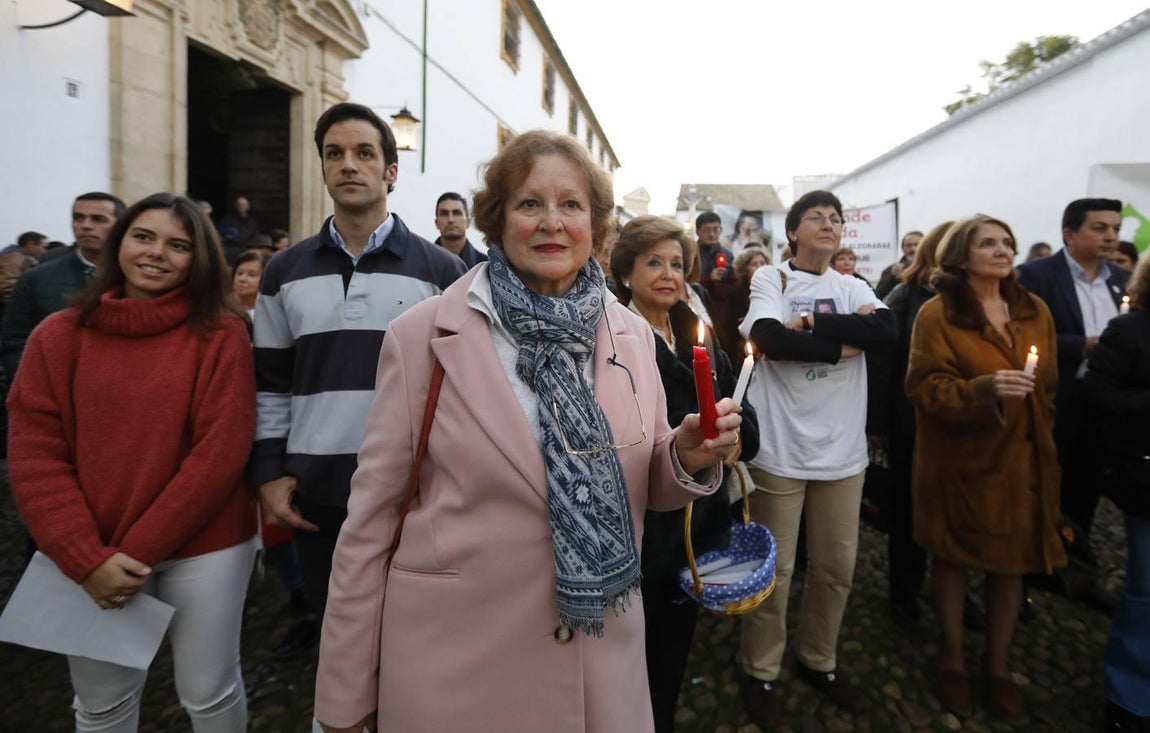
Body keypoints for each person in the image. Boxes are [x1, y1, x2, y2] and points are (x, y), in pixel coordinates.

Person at [314, 130, 742, 733]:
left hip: (601, 666)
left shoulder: (629, 336)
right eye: (529, 204)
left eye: (571, 205)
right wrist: (343, 699)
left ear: (595, 224)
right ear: (497, 219)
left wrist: (686, 456)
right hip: (457, 667)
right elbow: (369, 526)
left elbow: (644, 480)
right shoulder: (421, 338)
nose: (552, 223)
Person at [7, 192, 258, 731]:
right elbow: (35, 457)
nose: (156, 253)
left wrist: (133, 554)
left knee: (209, 694)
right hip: (93, 549)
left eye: (178, 245)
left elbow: (220, 453)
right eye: (144, 237)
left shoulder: (221, 335)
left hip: (204, 546)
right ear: (121, 242)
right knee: (102, 705)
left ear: (200, 259)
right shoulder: (57, 337)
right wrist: (84, 558)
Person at [252, 103, 467, 650]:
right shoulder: (284, 273)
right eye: (334, 154)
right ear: (323, 168)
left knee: (416, 640)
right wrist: (271, 472)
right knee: (339, 637)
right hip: (317, 489)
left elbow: (465, 389)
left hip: (414, 489)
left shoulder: (442, 272)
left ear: (391, 172)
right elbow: (272, 382)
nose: (349, 165)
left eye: (364, 153)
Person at [737, 190, 896, 727]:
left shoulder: (851, 285)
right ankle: (760, 669)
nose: (828, 224)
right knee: (774, 571)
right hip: (781, 450)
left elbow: (886, 331)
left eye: (836, 218)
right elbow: (766, 338)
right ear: (793, 232)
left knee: (835, 569)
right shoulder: (772, 280)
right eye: (816, 217)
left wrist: (809, 327)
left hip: (843, 455)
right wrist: (840, 347)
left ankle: (818, 660)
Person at [906, 214, 1064, 721]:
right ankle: (952, 659)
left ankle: (996, 667)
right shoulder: (938, 314)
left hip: (1021, 463)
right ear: (960, 255)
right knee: (952, 560)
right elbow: (924, 387)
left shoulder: (1033, 309)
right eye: (988, 243)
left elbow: (1052, 385)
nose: (1002, 250)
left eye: (1007, 243)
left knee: (1010, 564)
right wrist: (983, 390)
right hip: (961, 462)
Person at [610, 214, 760, 733]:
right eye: (653, 262)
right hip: (645, 524)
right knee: (632, 657)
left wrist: (735, 439)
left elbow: (743, 415)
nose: (668, 273)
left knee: (673, 646)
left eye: (677, 263)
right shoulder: (610, 339)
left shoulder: (695, 333)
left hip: (700, 523)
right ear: (626, 271)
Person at [1017, 198, 1127, 607]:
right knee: (1041, 488)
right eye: (1100, 228)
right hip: (1052, 404)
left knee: (1085, 489)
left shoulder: (1121, 278)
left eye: (1114, 228)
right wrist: (1084, 346)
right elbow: (1019, 339)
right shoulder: (1035, 277)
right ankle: (1024, 578)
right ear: (1070, 234)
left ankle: (1074, 567)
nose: (1111, 236)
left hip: (1102, 409)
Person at [1083, 254, 1150, 733]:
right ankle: (1128, 698)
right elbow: (1095, 395)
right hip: (1146, 477)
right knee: (1146, 591)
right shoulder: (1130, 331)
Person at [878, 221, 953, 625]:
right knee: (908, 512)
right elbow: (885, 364)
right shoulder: (905, 295)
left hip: (957, 426)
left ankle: (952, 586)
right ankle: (904, 591)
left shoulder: (969, 299)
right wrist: (880, 424)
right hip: (911, 422)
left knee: (952, 509)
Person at [2, 192, 125, 379]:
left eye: (98, 219)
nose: (86, 226)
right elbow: (15, 343)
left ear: (120, 225)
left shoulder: (136, 277)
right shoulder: (36, 278)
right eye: (78, 218)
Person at [714, 245, 769, 368]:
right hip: (742, 351)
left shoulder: (772, 291)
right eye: (754, 264)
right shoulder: (736, 293)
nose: (760, 267)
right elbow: (731, 323)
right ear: (745, 269)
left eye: (763, 263)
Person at [433, 191, 488, 268]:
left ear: (468, 222)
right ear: (436, 223)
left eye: (456, 213)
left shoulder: (485, 266)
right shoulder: (420, 263)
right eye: (444, 214)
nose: (451, 220)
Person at [0, 231, 48, 305]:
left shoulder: (23, 259)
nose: (45, 251)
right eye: (44, 247)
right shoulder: (14, 258)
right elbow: (8, 285)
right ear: (31, 244)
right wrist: (18, 306)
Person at [875, 230, 923, 299]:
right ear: (903, 248)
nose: (913, 249)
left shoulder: (933, 268)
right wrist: (893, 278)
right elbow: (879, 296)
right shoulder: (890, 271)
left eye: (917, 244)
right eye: (908, 245)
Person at [232, 249, 270, 318]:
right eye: (240, 273)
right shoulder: (225, 307)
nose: (242, 279)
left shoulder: (272, 312)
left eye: (251, 275)